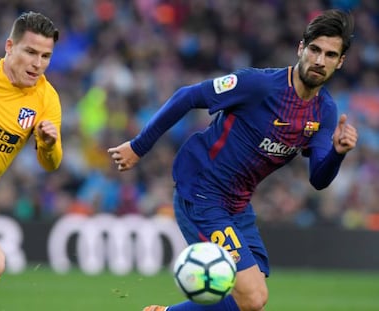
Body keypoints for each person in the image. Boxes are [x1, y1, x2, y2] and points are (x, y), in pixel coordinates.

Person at [108, 9, 357, 311]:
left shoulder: (324, 112)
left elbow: (319, 178)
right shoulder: (258, 86)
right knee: (252, 298)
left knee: (252, 298)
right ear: (301, 48)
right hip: (202, 192)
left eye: (330, 55)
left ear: (340, 62)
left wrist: (337, 154)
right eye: (315, 50)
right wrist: (138, 147)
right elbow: (187, 96)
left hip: (238, 206)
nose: (319, 61)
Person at [0, 11, 62, 310]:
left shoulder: (46, 99)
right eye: (30, 52)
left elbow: (51, 164)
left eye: (46, 56)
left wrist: (49, 145)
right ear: (9, 47)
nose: (38, 63)